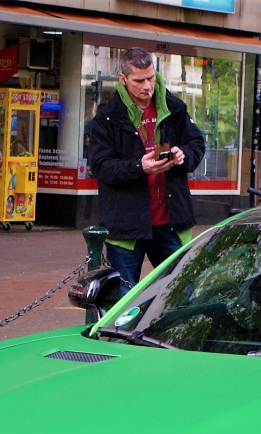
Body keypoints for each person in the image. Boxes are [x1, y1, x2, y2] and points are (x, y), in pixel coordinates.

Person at [86, 47, 207, 292]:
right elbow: (100, 166)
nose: (147, 86)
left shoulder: (174, 108)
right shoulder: (107, 118)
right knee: (124, 300)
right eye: (139, 80)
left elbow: (196, 144)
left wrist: (184, 155)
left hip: (171, 221)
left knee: (182, 293)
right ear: (123, 79)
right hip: (126, 227)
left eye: (151, 78)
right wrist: (138, 167)